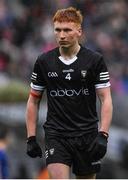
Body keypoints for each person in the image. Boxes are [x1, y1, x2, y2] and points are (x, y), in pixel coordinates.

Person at [26, 7, 113, 179]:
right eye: (58, 30)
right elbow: (33, 100)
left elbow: (106, 99)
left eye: (67, 30)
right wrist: (31, 137)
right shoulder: (44, 62)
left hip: (87, 136)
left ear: (79, 31)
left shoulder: (95, 61)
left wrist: (103, 134)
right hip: (56, 135)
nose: (62, 35)